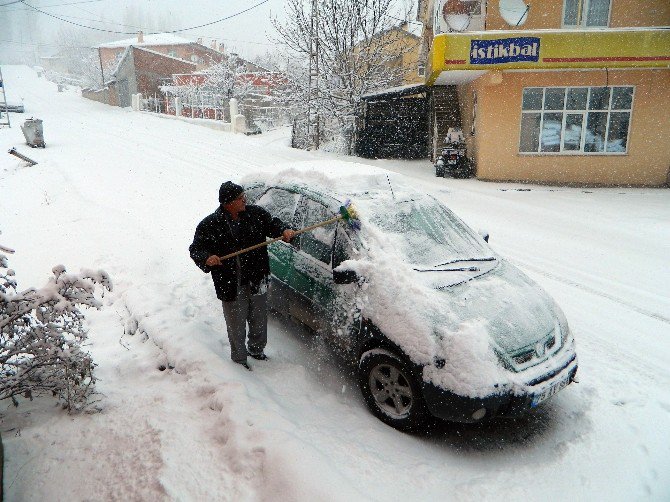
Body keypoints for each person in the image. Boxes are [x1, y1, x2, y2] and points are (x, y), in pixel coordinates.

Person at [189, 181, 296, 370]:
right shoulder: (210, 225)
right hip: (231, 283)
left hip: (257, 278)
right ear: (227, 202)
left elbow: (273, 224)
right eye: (240, 198)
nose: (244, 199)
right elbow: (196, 249)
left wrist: (283, 230)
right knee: (236, 325)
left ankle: (256, 350)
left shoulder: (256, 214)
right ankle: (239, 361)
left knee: (259, 319)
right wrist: (207, 258)